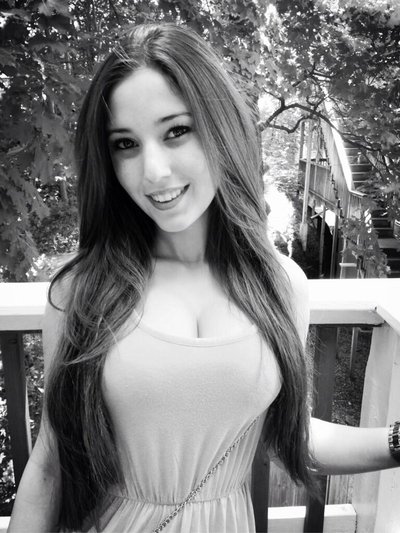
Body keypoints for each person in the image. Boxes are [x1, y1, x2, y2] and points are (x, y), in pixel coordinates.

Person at [8, 23, 400, 533]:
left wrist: (397, 440)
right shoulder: (81, 291)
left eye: (176, 131)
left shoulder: (280, 285)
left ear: (221, 128)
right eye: (126, 144)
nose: (154, 171)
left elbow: (289, 436)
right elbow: (49, 465)